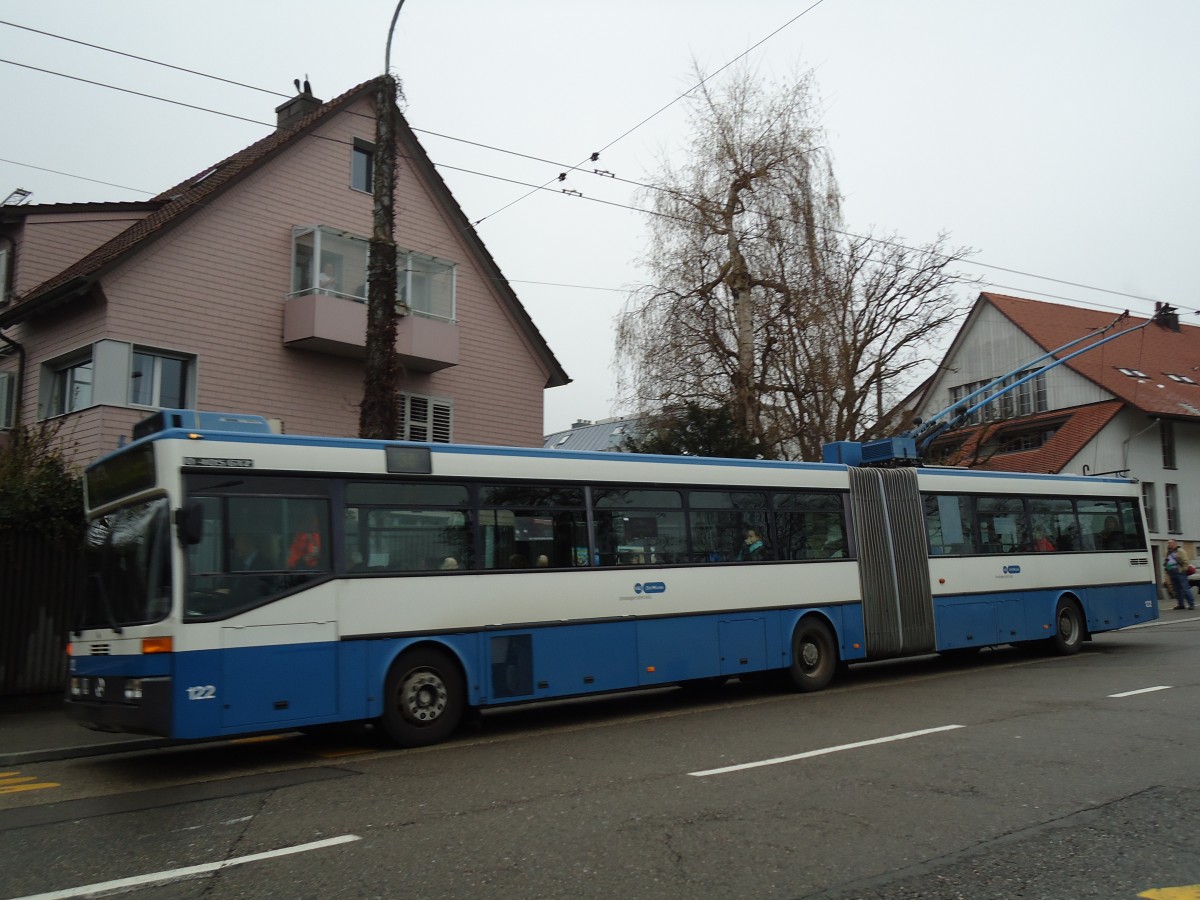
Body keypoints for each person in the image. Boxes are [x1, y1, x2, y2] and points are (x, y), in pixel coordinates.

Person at [1165, 539, 1195, 610]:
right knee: (1177, 590)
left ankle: (1191, 604)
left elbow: (1185, 561)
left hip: (1180, 573)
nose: (1169, 545)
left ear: (1175, 543)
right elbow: (1168, 562)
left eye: (1170, 543)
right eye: (1168, 543)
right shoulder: (1169, 552)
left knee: (1185, 589)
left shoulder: (1180, 551)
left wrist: (1182, 570)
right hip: (1172, 573)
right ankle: (1181, 604)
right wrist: (1167, 569)